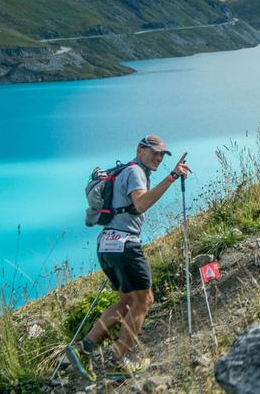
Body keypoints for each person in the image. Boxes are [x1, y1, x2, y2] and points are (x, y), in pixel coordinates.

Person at [67, 135, 192, 382]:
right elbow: (141, 203)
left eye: (161, 155)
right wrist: (172, 177)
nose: (158, 158)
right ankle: (117, 360)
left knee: (126, 302)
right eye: (154, 152)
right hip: (125, 244)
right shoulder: (135, 171)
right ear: (140, 150)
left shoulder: (124, 170)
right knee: (145, 300)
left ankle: (85, 349)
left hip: (106, 245)